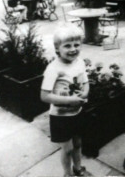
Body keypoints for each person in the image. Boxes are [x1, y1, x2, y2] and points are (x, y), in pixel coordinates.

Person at [40, 24, 89, 177]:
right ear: (57, 49)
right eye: (67, 46)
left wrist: (85, 94)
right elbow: (44, 96)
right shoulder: (53, 69)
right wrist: (70, 101)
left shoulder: (80, 62)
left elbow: (85, 82)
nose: (73, 49)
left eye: (76, 45)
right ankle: (67, 174)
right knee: (67, 149)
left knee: (78, 144)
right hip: (60, 117)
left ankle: (78, 168)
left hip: (78, 113)